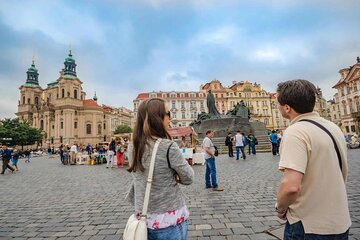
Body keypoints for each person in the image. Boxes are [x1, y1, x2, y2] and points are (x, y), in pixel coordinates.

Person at [275, 79, 351, 239]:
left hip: (308, 226)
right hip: (340, 222)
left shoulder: (295, 132)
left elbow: (291, 187)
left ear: (287, 108)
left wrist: (280, 209)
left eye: (278, 103)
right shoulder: (333, 127)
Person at [125, 98, 194, 240]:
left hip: (143, 218)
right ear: (158, 118)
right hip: (168, 220)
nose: (170, 118)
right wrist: (175, 175)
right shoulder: (168, 146)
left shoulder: (133, 145)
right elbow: (188, 177)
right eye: (168, 113)